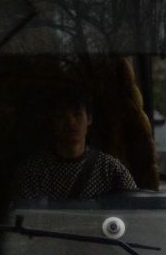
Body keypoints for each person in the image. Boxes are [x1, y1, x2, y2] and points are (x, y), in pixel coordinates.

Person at [11, 84, 139, 203]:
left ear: (89, 118)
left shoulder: (111, 170)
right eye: (61, 116)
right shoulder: (33, 172)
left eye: (77, 114)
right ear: (52, 122)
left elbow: (134, 211)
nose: (71, 122)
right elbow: (23, 217)